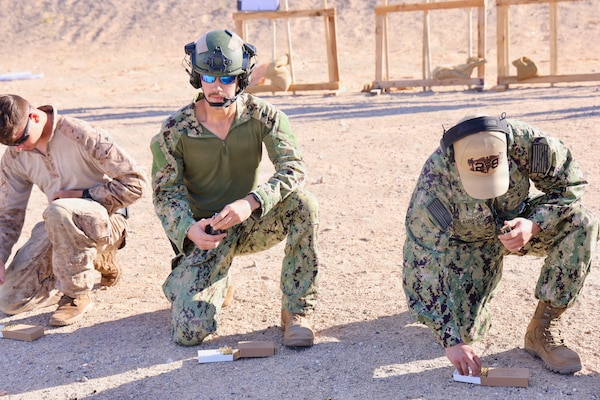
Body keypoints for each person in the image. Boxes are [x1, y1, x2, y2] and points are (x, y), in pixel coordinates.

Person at [150, 29, 319, 347]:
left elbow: (293, 169)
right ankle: (190, 278)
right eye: (208, 78)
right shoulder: (175, 130)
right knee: (189, 334)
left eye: (226, 79)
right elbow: (165, 193)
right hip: (209, 233)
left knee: (304, 204)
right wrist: (189, 230)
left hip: (253, 220)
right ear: (196, 78)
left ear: (241, 79)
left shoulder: (264, 116)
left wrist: (253, 201)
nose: (216, 87)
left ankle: (297, 313)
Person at [402, 113, 597, 376]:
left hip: (520, 225)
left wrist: (534, 224)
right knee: (466, 332)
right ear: (456, 165)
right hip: (469, 244)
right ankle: (460, 297)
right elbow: (421, 261)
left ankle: (542, 329)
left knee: (581, 222)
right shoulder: (435, 183)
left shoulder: (528, 144)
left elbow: (569, 186)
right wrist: (451, 340)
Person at [0, 94, 146, 326]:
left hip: (107, 221)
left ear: (35, 116)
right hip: (59, 226)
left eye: (21, 139)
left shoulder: (81, 134)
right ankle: (88, 264)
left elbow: (136, 184)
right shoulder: (15, 155)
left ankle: (76, 295)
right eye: (10, 144)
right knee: (10, 301)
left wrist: (83, 195)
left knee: (59, 210)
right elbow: (7, 215)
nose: (18, 148)